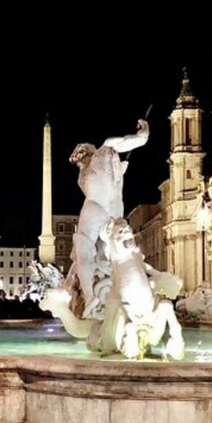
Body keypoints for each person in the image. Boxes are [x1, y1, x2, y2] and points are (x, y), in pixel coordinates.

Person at [66, 118, 149, 319]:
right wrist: (142, 134)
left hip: (94, 207)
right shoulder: (105, 152)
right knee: (117, 252)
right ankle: (121, 289)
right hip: (114, 209)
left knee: (84, 251)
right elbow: (130, 142)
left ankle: (90, 297)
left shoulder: (83, 176)